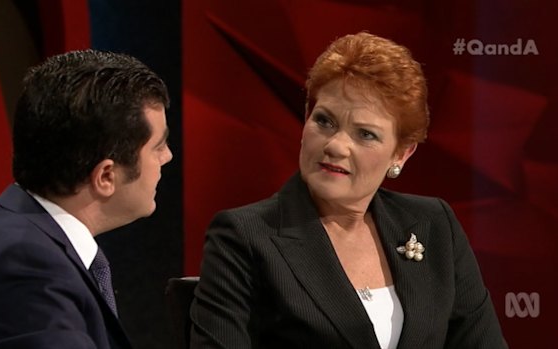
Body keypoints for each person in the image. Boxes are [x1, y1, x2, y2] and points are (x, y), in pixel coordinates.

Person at [189, 32, 507, 348]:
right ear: (305, 118)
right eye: (325, 121)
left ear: (401, 154)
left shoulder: (434, 224)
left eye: (365, 134)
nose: (336, 146)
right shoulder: (244, 237)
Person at [0, 49, 173, 348]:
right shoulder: (25, 265)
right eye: (158, 145)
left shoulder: (16, 235)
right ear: (106, 177)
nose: (167, 156)